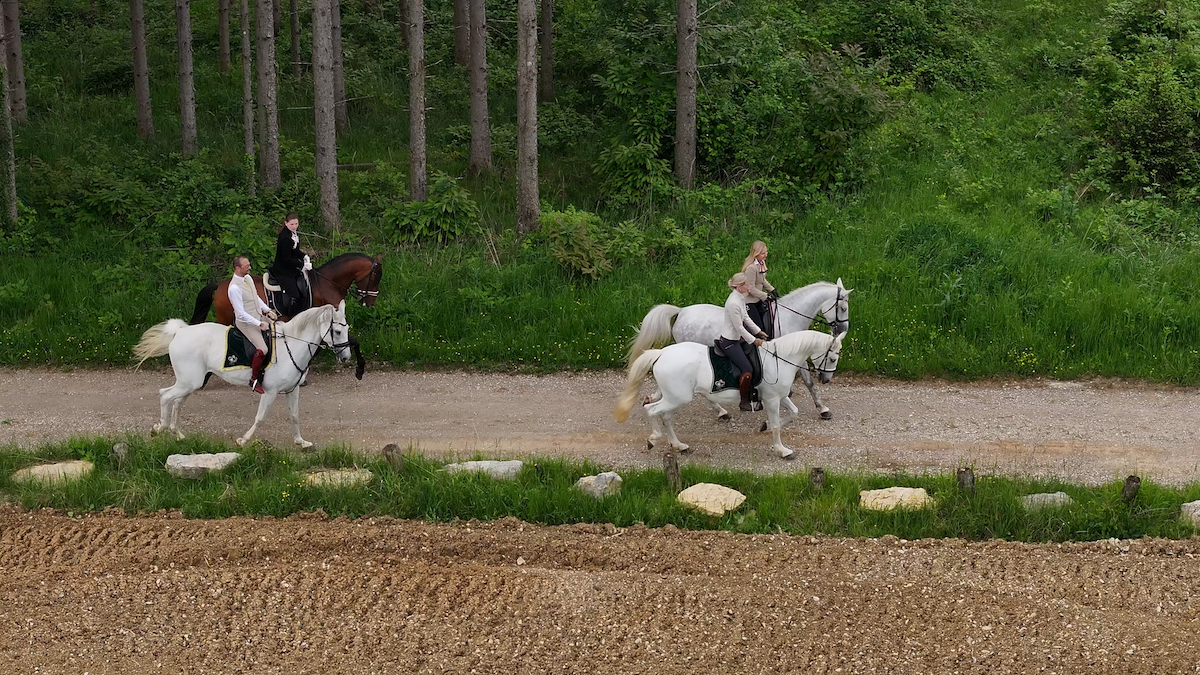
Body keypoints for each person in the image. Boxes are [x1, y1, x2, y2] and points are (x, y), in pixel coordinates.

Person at [719, 272, 768, 412]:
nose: (748, 286)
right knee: (748, 369)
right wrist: (754, 340)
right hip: (730, 341)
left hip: (737, 339)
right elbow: (739, 327)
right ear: (739, 286)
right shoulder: (733, 303)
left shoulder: (740, 298)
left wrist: (758, 331)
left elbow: (746, 317)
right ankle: (744, 401)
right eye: (746, 284)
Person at [228, 255, 277, 394]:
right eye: (246, 266)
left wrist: (267, 310)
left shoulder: (248, 278)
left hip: (257, 315)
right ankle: (254, 379)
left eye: (249, 265)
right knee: (263, 349)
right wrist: (259, 323)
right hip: (246, 323)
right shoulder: (234, 288)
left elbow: (254, 297)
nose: (249, 267)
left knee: (279, 327)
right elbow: (240, 313)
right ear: (237, 268)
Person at [268, 212, 312, 316]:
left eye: (296, 224)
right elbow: (286, 259)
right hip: (282, 270)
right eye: (292, 224)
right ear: (286, 223)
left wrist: (304, 256)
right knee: (295, 295)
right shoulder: (285, 238)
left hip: (290, 268)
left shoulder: (294, 235)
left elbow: (295, 252)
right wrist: (302, 265)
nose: (294, 226)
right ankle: (291, 316)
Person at [742, 240, 777, 339]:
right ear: (756, 253)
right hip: (749, 301)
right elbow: (750, 288)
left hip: (758, 299)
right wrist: (765, 296)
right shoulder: (751, 268)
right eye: (763, 253)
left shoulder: (761, 263)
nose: (766, 255)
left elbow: (762, 280)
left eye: (766, 252)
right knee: (758, 327)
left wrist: (772, 289)